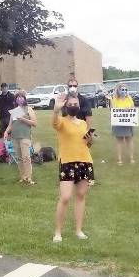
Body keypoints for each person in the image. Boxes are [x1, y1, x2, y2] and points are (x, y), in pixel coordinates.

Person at [52, 93, 94, 243]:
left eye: (76, 104)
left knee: (81, 196)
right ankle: (58, 232)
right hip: (68, 162)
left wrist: (90, 140)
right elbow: (54, 123)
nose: (73, 107)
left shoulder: (83, 123)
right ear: (66, 106)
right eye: (70, 104)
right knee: (65, 197)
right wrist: (56, 110)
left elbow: (87, 144)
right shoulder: (62, 121)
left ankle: (78, 230)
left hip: (85, 161)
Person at [4, 91, 38, 184]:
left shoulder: (28, 109)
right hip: (15, 137)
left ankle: (29, 177)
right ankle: (23, 176)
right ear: (15, 100)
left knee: (26, 157)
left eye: (21, 97)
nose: (19, 99)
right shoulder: (14, 111)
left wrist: (23, 119)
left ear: (24, 99)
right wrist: (6, 132)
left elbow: (34, 123)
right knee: (19, 158)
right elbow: (10, 125)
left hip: (25, 136)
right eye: (17, 97)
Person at [110, 83, 136, 165]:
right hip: (118, 123)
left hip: (128, 122)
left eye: (125, 90)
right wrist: (120, 109)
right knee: (119, 141)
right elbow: (112, 109)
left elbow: (133, 108)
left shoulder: (129, 98)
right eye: (122, 89)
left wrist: (130, 109)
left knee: (130, 140)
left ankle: (131, 158)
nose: (124, 91)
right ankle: (119, 159)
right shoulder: (114, 99)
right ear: (118, 90)